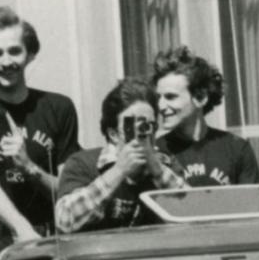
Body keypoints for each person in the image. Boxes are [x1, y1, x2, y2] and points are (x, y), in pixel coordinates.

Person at [0, 4, 79, 260]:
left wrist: (29, 167)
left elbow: (66, 191)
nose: (6, 62)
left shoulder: (58, 107)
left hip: (48, 236)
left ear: (30, 54)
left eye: (15, 51)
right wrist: (22, 230)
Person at [55, 77, 184, 233]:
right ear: (114, 134)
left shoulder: (167, 164)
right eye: (136, 125)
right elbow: (64, 220)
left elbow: (193, 211)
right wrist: (118, 171)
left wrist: (157, 169)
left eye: (151, 125)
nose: (146, 132)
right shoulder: (83, 163)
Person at [151, 45, 259, 187]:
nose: (161, 106)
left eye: (170, 97)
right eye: (158, 98)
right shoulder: (157, 152)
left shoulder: (237, 149)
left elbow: (253, 206)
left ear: (201, 97)